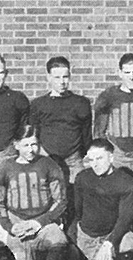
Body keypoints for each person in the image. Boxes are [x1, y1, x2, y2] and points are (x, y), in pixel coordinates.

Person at [0, 125, 69, 260]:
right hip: (17, 223)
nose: (30, 150)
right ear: (16, 145)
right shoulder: (5, 168)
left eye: (34, 144)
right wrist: (11, 227)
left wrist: (39, 222)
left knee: (59, 238)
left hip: (42, 220)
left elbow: (61, 200)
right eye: (25, 145)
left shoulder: (49, 165)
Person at [71, 139, 133, 260]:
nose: (95, 164)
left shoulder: (125, 181)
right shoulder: (82, 178)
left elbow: (125, 217)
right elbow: (77, 210)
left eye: (99, 158)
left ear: (111, 157)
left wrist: (109, 243)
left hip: (113, 235)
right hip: (89, 238)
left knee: (129, 242)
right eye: (91, 159)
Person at [29, 56, 92, 185]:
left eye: (65, 77)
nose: (62, 82)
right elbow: (33, 134)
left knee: (76, 199)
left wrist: (80, 154)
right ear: (49, 77)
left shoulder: (81, 103)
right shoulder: (38, 104)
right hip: (47, 159)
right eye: (57, 77)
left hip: (74, 161)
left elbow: (86, 134)